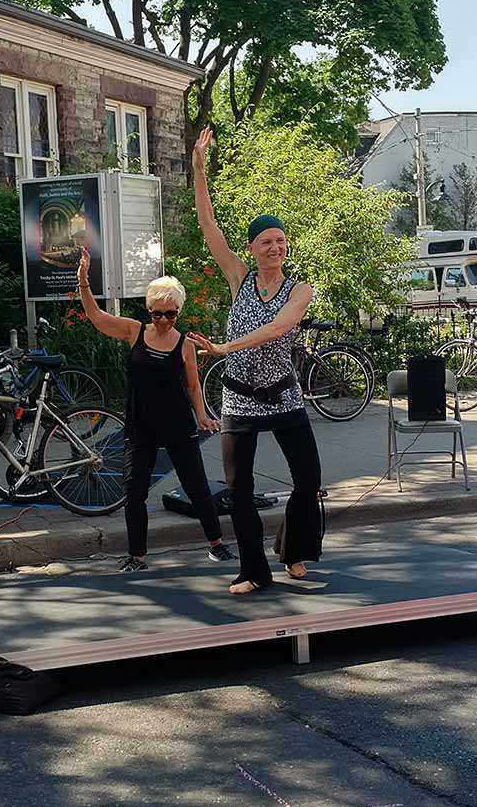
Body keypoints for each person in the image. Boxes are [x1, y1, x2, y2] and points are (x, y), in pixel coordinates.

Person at [187, 127, 322, 596]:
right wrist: (199, 166)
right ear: (252, 248)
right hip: (240, 403)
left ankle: (293, 551)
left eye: (281, 241)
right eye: (267, 241)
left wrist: (227, 348)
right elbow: (208, 226)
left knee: (309, 481)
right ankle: (252, 570)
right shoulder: (238, 277)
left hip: (283, 395)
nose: (276, 248)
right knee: (238, 491)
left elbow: (279, 328)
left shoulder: (299, 289)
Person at [75, 246, 233, 572]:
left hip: (177, 425)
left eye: (170, 314)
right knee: (134, 492)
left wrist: (202, 416)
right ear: (149, 310)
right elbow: (96, 317)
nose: (163, 320)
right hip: (140, 426)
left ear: (178, 311)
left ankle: (216, 544)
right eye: (157, 313)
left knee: (197, 488)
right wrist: (84, 282)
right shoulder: (134, 332)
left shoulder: (185, 346)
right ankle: (138, 556)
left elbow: (192, 386)